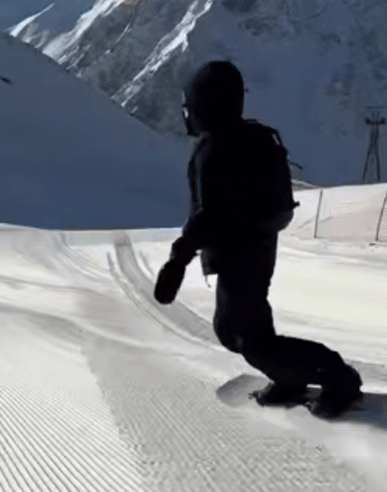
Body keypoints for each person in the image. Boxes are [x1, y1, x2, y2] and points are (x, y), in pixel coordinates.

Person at [153, 60, 364, 418]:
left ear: (204, 105)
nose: (186, 113)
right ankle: (291, 378)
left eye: (190, 105)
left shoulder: (216, 150)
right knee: (240, 331)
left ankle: (337, 377)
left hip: (241, 253)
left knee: (246, 338)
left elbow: (208, 215)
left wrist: (178, 259)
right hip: (254, 247)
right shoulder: (242, 139)